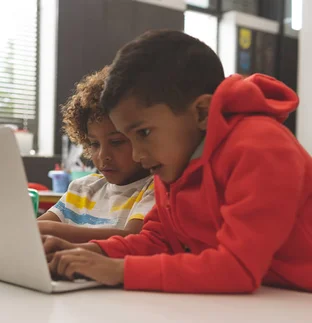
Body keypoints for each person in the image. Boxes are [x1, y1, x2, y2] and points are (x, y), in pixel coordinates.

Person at [44, 30, 312, 293]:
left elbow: (236, 268)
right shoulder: (178, 160)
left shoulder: (261, 147)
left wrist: (118, 271)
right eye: (129, 138)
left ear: (202, 112)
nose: (137, 154)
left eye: (144, 133)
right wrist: (88, 252)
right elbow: (158, 240)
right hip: (272, 300)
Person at [38, 66, 154, 243]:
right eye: (94, 144)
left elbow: (133, 240)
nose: (103, 155)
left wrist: (52, 229)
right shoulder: (81, 189)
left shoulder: (153, 189)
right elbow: (34, 230)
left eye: (116, 142)